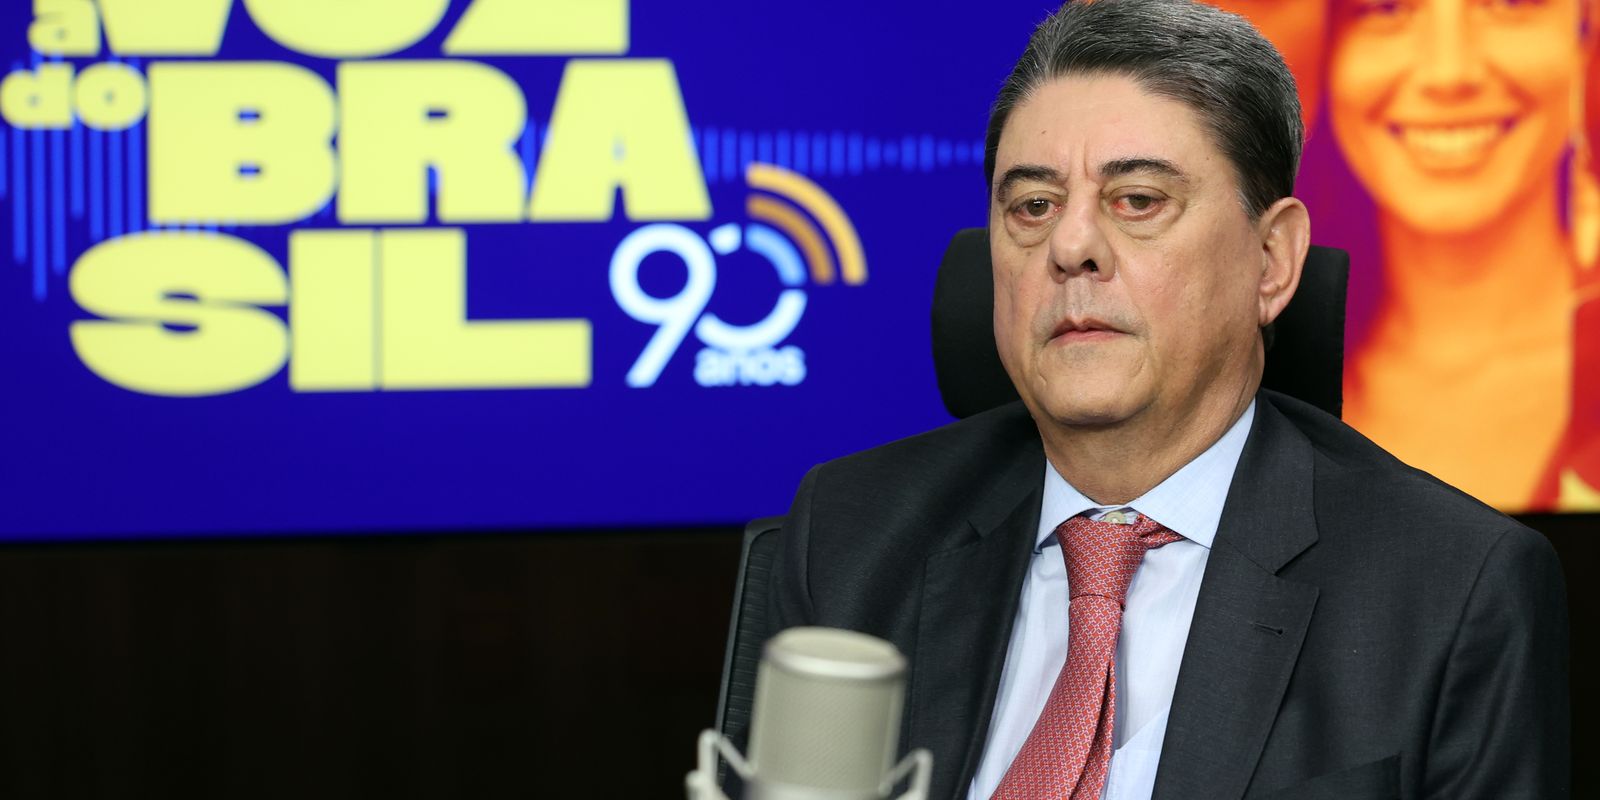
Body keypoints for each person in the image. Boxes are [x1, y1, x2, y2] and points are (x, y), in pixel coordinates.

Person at [766, 1, 1570, 798]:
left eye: (1138, 200)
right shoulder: (852, 537)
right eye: (1034, 207)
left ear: (1272, 260)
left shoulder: (1452, 588)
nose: (1070, 247)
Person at [1326, 0, 1597, 510]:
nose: (1448, 73)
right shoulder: (1247, 378)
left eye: (1511, 3)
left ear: (1586, 36)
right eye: (1386, 7)